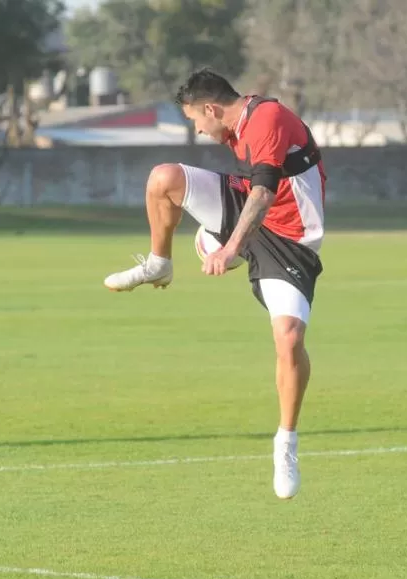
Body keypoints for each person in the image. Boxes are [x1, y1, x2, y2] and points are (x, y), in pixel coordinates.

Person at [102, 68, 326, 499]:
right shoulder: (236, 124)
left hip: (292, 239)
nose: (198, 130)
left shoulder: (266, 120)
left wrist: (228, 249)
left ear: (211, 108)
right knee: (163, 178)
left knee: (290, 337)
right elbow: (248, 192)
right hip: (247, 211)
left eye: (194, 120)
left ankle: (285, 442)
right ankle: (158, 263)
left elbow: (262, 194)